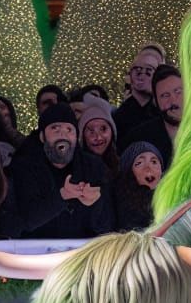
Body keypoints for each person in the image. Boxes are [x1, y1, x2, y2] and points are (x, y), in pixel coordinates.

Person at [11, 102, 114, 240]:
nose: (63, 134)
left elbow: (107, 226)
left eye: (69, 129)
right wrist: (62, 197)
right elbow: (26, 221)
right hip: (36, 253)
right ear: (42, 137)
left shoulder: (94, 167)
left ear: (76, 137)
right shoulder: (24, 166)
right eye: (55, 128)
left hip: (80, 253)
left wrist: (96, 202)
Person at [119, 64, 183, 168]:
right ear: (156, 102)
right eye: (165, 96)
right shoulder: (139, 138)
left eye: (178, 92)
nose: (173, 101)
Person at [113, 45, 163, 138]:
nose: (142, 73)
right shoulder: (119, 116)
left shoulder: (165, 112)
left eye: (149, 70)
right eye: (138, 69)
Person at [114, 140, 164, 231]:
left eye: (154, 162)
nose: (149, 168)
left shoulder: (174, 198)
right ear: (129, 172)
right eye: (139, 163)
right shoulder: (118, 202)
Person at [78, 94, 119, 175]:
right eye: (91, 131)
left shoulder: (124, 167)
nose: (98, 137)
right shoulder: (75, 169)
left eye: (103, 129)